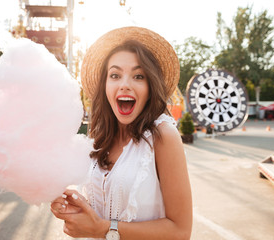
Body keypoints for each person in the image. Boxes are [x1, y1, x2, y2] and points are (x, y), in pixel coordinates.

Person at [51, 26, 192, 240]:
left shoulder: (163, 136)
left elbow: (180, 232)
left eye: (138, 76)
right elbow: (104, 210)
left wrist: (103, 228)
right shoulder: (99, 137)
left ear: (150, 86)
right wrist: (79, 210)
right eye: (115, 75)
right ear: (105, 85)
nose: (125, 85)